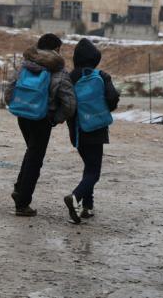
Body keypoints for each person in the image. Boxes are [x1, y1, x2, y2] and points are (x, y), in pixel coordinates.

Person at [5, 33, 76, 217]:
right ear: (57, 50)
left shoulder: (25, 65)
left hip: (23, 116)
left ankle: (19, 190)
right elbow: (69, 104)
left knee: (31, 152)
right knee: (35, 159)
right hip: (42, 119)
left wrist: (17, 106)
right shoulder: (59, 71)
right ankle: (22, 203)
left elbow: (10, 90)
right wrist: (55, 118)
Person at [64, 39, 119, 224]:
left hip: (77, 130)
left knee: (89, 167)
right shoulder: (101, 76)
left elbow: (65, 103)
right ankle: (75, 196)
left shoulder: (70, 78)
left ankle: (87, 206)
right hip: (97, 129)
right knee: (93, 172)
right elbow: (112, 99)